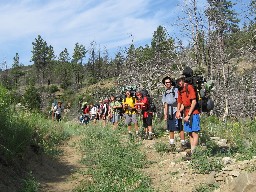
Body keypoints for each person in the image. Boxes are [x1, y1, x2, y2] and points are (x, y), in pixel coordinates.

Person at [176, 77, 200, 158]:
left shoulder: (189, 87)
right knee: (190, 133)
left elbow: (193, 102)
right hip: (186, 113)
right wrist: (179, 111)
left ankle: (194, 152)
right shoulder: (180, 90)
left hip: (193, 113)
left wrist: (189, 115)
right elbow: (183, 103)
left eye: (180, 82)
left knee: (194, 132)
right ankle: (193, 151)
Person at [162, 76, 186, 151]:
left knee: (179, 127)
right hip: (169, 111)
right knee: (170, 128)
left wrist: (178, 111)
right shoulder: (165, 92)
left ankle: (183, 144)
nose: (167, 84)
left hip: (176, 110)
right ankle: (172, 144)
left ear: (171, 82)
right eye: (165, 83)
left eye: (168, 82)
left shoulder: (175, 90)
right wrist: (165, 114)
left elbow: (179, 101)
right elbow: (165, 104)